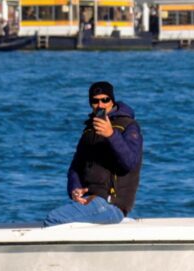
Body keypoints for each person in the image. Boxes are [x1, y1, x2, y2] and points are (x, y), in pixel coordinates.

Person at [43, 81, 143, 226]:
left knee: (54, 219)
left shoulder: (129, 126)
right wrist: (75, 188)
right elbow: (76, 167)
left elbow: (129, 163)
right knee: (58, 220)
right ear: (90, 103)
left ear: (112, 100)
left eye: (105, 100)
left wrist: (111, 135)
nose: (100, 105)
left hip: (112, 205)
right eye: (95, 101)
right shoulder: (89, 130)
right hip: (91, 200)